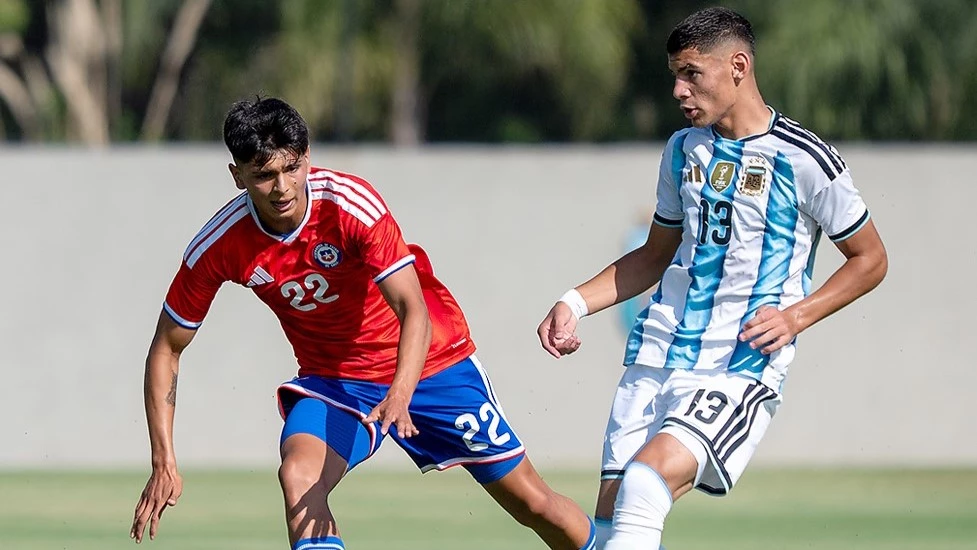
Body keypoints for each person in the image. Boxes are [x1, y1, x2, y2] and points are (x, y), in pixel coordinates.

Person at [129, 97, 597, 550]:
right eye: (264, 175)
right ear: (238, 176)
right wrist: (163, 459)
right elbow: (166, 349)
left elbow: (413, 311)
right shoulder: (219, 245)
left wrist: (400, 391)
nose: (283, 187)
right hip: (335, 381)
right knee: (298, 476)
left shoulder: (351, 206)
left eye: (292, 167)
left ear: (307, 157)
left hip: (432, 364)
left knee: (533, 504)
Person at [536, 7, 888, 549]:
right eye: (675, 75)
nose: (678, 90)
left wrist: (796, 317)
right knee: (610, 524)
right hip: (657, 352)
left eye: (691, 74)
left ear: (739, 66)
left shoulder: (805, 158)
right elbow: (654, 255)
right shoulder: (683, 150)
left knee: (646, 484)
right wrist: (574, 302)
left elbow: (870, 259)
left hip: (738, 363)